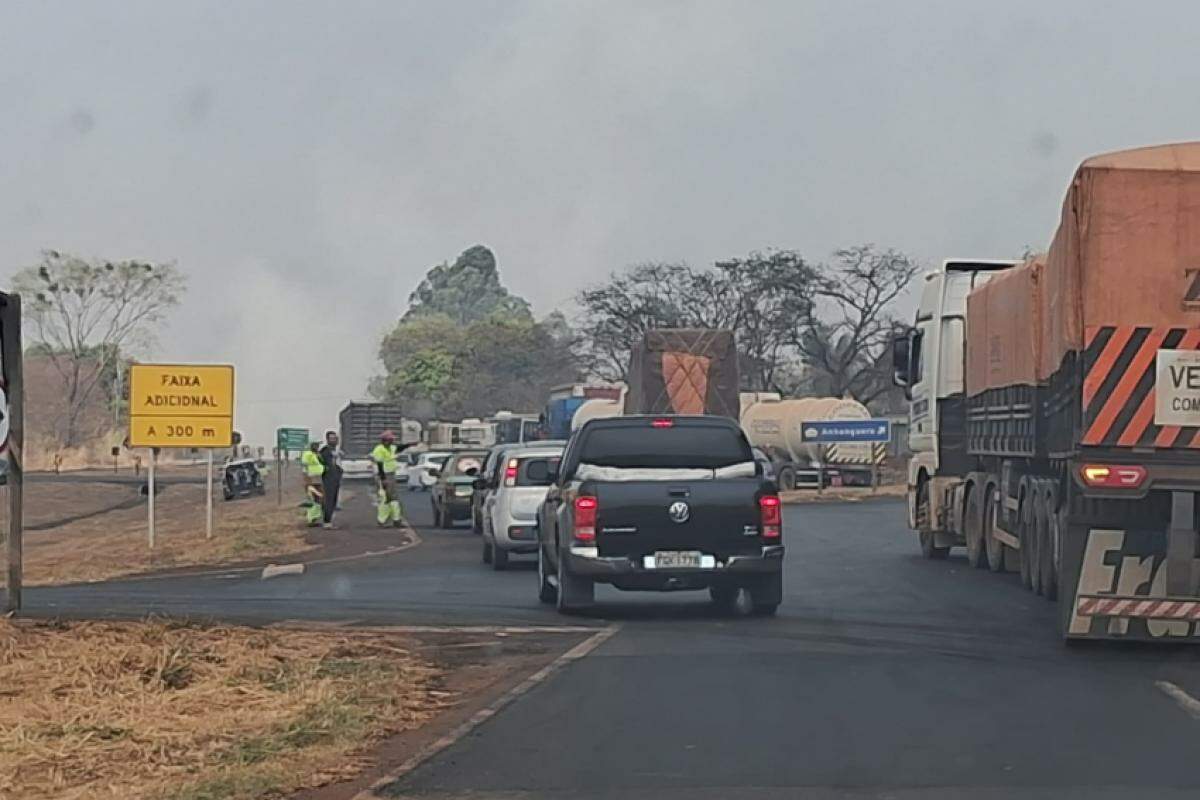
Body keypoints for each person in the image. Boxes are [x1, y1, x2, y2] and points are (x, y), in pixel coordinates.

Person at [371, 430, 408, 527]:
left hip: (391, 474)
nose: (392, 441)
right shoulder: (379, 449)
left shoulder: (391, 448)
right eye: (390, 440)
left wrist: (410, 444)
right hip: (384, 475)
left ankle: (395, 519)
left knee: (392, 498)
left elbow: (399, 448)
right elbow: (380, 464)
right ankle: (383, 520)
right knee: (386, 498)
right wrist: (383, 479)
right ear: (385, 440)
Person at [318, 430, 344, 529]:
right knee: (328, 500)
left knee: (333, 500)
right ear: (328, 440)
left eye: (335, 438)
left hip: (335, 478)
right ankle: (327, 521)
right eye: (332, 438)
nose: (334, 440)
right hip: (328, 479)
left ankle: (329, 521)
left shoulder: (336, 451)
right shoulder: (325, 451)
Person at [299, 441, 325, 527]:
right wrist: (306, 479)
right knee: (313, 499)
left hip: (318, 479)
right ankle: (310, 519)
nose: (317, 446)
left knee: (319, 499)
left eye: (317, 445)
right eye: (315, 445)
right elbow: (304, 467)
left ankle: (314, 518)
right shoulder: (307, 454)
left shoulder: (317, 454)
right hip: (311, 479)